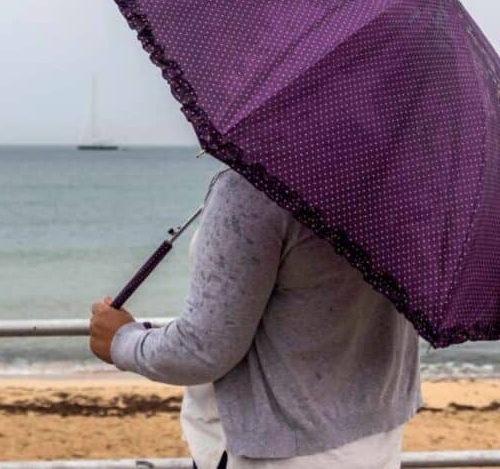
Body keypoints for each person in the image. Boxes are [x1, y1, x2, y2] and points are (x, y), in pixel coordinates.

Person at [90, 167, 422, 468]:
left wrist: (122, 340)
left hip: (272, 455)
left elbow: (203, 350)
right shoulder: (405, 183)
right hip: (374, 442)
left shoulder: (254, 189)